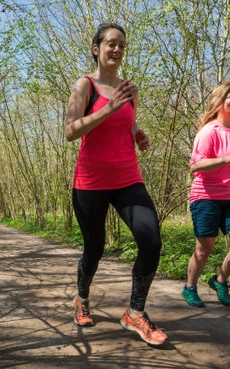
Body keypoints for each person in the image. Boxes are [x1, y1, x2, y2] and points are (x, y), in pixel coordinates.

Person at [64, 23, 167, 345]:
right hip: (90, 182)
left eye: (122, 45)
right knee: (94, 248)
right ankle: (81, 297)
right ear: (97, 48)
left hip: (127, 178)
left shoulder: (130, 89)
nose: (117, 50)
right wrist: (107, 109)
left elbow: (129, 119)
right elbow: (71, 131)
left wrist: (138, 134)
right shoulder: (85, 86)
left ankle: (135, 313)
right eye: (111, 44)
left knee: (151, 240)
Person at [181, 80, 230, 308]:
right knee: (204, 249)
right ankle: (190, 287)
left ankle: (219, 280)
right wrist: (228, 159)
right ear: (220, 101)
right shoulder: (209, 131)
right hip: (206, 196)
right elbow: (195, 166)